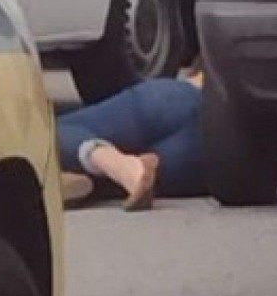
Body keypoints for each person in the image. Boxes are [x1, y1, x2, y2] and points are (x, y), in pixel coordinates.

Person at [57, 74, 205, 210]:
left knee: (50, 133)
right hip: (206, 149)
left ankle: (116, 164)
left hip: (182, 100)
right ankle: (114, 171)